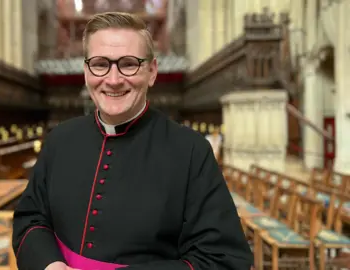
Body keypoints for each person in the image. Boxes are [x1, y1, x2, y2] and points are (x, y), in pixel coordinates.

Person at [13, 12, 253, 270]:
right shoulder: (60, 139)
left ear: (152, 71)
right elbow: (31, 218)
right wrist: (50, 266)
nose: (113, 80)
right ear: (86, 72)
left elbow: (223, 259)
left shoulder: (192, 151)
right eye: (100, 64)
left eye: (128, 64)